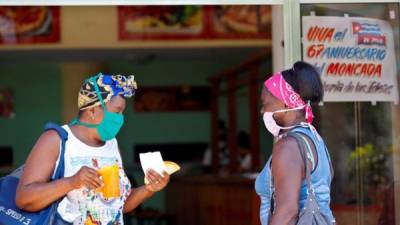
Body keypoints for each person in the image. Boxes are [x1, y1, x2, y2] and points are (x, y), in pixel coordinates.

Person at [16, 74, 170, 225]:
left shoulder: (111, 144)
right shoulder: (57, 139)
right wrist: (71, 182)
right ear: (93, 110)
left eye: (122, 113)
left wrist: (149, 189)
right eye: (117, 112)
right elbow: (24, 198)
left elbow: (116, 207)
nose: (120, 118)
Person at [255, 62, 336, 225]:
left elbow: (287, 211)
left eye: (266, 104)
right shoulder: (314, 138)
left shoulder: (288, 146)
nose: (263, 111)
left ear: (285, 103)